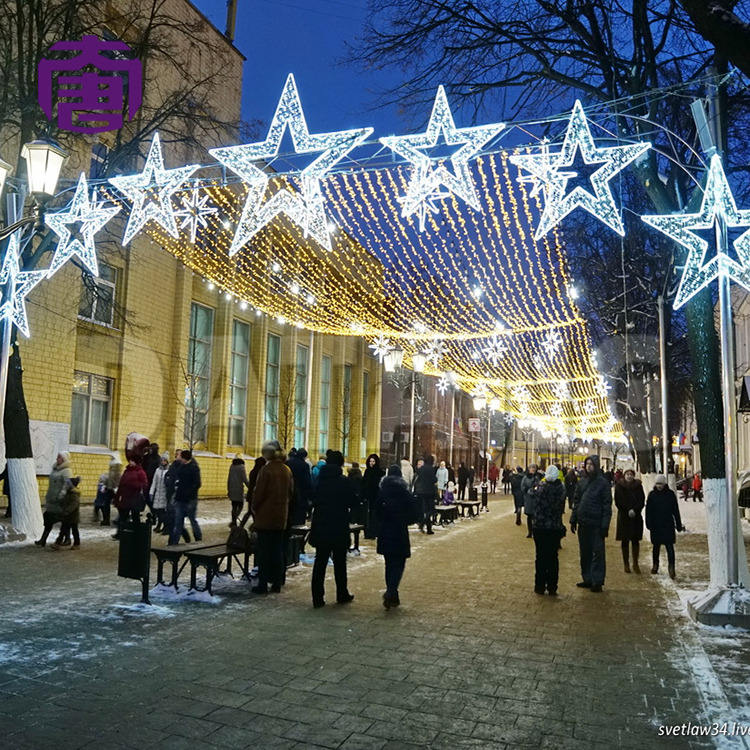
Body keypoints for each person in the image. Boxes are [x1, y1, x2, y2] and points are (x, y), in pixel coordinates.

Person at [310, 451, 355, 608]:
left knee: (320, 561)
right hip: (338, 526)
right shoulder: (343, 481)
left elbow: (313, 498)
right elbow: (352, 501)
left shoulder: (319, 480)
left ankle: (317, 598)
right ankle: (342, 593)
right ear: (341, 464)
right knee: (340, 562)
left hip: (321, 525)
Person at [251, 440, 293, 594]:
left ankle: (262, 584)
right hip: (281, 517)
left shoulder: (266, 470)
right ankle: (277, 583)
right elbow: (290, 493)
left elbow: (259, 494)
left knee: (264, 552)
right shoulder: (287, 470)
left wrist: (254, 507)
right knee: (277, 551)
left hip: (265, 517)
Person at [376, 465, 418, 609]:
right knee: (399, 563)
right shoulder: (404, 493)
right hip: (400, 532)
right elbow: (414, 513)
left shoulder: (382, 492)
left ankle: (392, 593)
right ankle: (391, 591)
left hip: (385, 531)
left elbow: (376, 511)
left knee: (389, 564)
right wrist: (405, 520)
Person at [570, 455, 612, 592]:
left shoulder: (603, 483)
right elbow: (576, 501)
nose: (589, 466)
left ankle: (597, 581)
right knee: (585, 552)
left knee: (597, 553)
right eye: (587, 464)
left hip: (596, 524)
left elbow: (607, 506)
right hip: (583, 523)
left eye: (591, 464)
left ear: (596, 466)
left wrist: (605, 525)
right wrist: (573, 519)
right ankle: (587, 578)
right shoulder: (582, 482)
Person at [530, 465, 566, 595]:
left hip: (540, 527)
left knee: (540, 557)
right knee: (553, 557)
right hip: (555, 527)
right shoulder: (561, 489)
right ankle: (552, 586)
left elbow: (531, 493)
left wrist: (537, 481)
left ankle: (539, 586)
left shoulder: (541, 487)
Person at [646, 475, 684, 579]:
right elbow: (648, 511)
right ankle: (655, 565)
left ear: (664, 484)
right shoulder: (652, 495)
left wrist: (678, 524)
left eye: (661, 484)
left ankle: (671, 567)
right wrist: (648, 523)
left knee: (669, 547)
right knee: (656, 547)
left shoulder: (670, 495)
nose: (659, 486)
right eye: (657, 484)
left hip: (667, 525)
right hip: (656, 525)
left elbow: (675, 510)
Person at [35, 452, 73, 547]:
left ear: (64, 459)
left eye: (59, 457)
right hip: (52, 500)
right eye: (57, 457)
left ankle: (67, 539)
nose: (57, 459)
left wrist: (61, 495)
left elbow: (67, 485)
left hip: (61, 501)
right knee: (49, 519)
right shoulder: (55, 469)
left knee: (64, 520)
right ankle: (43, 540)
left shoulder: (67, 471)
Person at [614, 469, 645, 574]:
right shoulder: (619, 486)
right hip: (624, 517)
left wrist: (635, 510)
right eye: (627, 474)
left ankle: (635, 563)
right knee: (625, 540)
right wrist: (627, 510)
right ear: (624, 475)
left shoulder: (638, 486)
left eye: (631, 474)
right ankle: (626, 563)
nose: (629, 476)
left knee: (635, 540)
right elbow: (618, 501)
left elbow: (641, 500)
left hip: (635, 517)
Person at [169, 450, 203, 545]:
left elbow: (197, 483)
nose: (179, 458)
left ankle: (198, 538)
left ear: (184, 458)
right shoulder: (181, 466)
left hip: (190, 499)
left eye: (180, 456)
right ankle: (174, 542)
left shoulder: (194, 468)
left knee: (192, 520)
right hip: (180, 498)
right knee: (178, 521)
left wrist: (189, 492)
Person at [113, 454, 149, 541]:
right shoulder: (126, 471)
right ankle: (120, 533)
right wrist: (117, 497)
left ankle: (136, 534)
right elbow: (121, 484)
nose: (130, 462)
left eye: (132, 461)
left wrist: (135, 485)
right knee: (123, 517)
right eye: (130, 461)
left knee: (135, 516)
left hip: (135, 498)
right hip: (125, 497)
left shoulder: (140, 472)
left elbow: (144, 484)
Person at [53, 476, 82, 551]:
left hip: (73, 516)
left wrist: (66, 511)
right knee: (63, 530)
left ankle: (77, 544)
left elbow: (73, 505)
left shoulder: (74, 494)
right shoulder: (68, 493)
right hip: (67, 516)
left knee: (74, 531)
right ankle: (57, 543)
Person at [286, 448, 312, 526]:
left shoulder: (288, 462)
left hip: (289, 491)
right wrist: (310, 495)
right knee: (299, 516)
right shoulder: (304, 465)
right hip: (301, 493)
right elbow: (307, 481)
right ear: (304, 456)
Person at [413, 455, 438, 535]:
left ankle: (428, 528)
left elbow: (418, 474)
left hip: (421, 492)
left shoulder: (422, 468)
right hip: (429, 492)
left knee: (425, 510)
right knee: (430, 510)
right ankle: (423, 523)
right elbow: (434, 479)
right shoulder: (431, 469)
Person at [363, 454, 385, 539]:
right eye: (370, 461)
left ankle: (374, 532)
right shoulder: (367, 471)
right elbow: (364, 483)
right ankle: (367, 532)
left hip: (376, 497)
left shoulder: (380, 472)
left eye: (373, 461)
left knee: (374, 515)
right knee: (367, 516)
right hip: (368, 497)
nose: (371, 463)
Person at [521, 464, 543, 539]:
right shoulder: (525, 477)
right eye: (531, 468)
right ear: (529, 469)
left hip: (536, 499)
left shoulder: (538, 477)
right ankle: (530, 532)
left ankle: (535, 532)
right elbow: (522, 487)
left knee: (536, 517)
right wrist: (528, 490)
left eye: (534, 468)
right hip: (529, 499)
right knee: (529, 517)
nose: (533, 469)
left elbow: (541, 486)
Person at [150, 452, 170, 532]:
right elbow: (154, 482)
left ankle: (164, 526)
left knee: (163, 511)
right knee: (158, 511)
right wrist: (151, 492)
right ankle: (159, 525)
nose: (163, 462)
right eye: (162, 460)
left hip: (164, 494)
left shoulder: (168, 471)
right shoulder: (157, 470)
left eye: (165, 460)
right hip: (158, 493)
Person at [227, 453, 249, 526]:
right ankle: (234, 520)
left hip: (232, 489)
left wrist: (228, 489)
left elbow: (229, 479)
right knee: (240, 505)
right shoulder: (242, 467)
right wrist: (250, 487)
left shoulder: (232, 466)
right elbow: (244, 479)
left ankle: (234, 522)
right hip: (239, 490)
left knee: (234, 506)